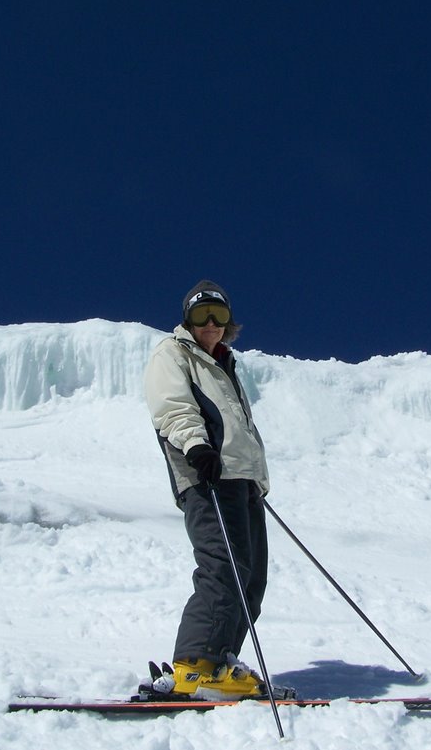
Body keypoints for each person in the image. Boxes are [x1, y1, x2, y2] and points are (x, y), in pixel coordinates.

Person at [144, 280, 270, 698]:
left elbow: (240, 428)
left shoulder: (225, 365)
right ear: (188, 320)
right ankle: (194, 666)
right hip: (205, 476)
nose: (211, 324)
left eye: (219, 316)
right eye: (201, 316)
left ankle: (220, 663)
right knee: (223, 566)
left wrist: (257, 478)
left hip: (242, 480)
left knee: (250, 579)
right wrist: (196, 446)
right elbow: (172, 406)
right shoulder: (175, 353)